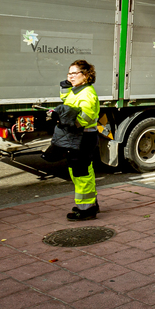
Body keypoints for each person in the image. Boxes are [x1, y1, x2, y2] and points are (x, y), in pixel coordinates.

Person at [50, 59, 101, 221]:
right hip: (80, 137)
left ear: (85, 75)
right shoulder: (77, 90)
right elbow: (68, 103)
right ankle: (91, 204)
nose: (70, 77)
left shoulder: (87, 94)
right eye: (69, 73)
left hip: (83, 137)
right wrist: (65, 89)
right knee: (83, 171)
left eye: (74, 73)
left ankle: (86, 210)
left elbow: (83, 119)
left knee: (80, 173)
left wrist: (60, 119)